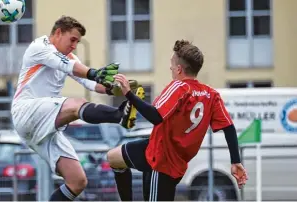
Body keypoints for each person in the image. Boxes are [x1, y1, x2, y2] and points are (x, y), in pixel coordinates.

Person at [11, 15, 139, 201]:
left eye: (77, 42)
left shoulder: (69, 56)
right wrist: (94, 73)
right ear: (58, 32)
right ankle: (120, 116)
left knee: (77, 181)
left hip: (43, 125)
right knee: (75, 104)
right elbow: (71, 67)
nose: (74, 45)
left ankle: (121, 114)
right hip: (26, 111)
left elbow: (91, 82)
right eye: (72, 40)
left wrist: (116, 88)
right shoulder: (39, 47)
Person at [106, 40, 249, 201]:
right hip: (162, 152)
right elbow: (229, 128)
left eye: (172, 64)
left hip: (162, 160)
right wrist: (235, 161)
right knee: (113, 158)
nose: (170, 68)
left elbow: (155, 117)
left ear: (179, 69)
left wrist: (129, 94)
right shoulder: (211, 94)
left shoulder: (179, 87)